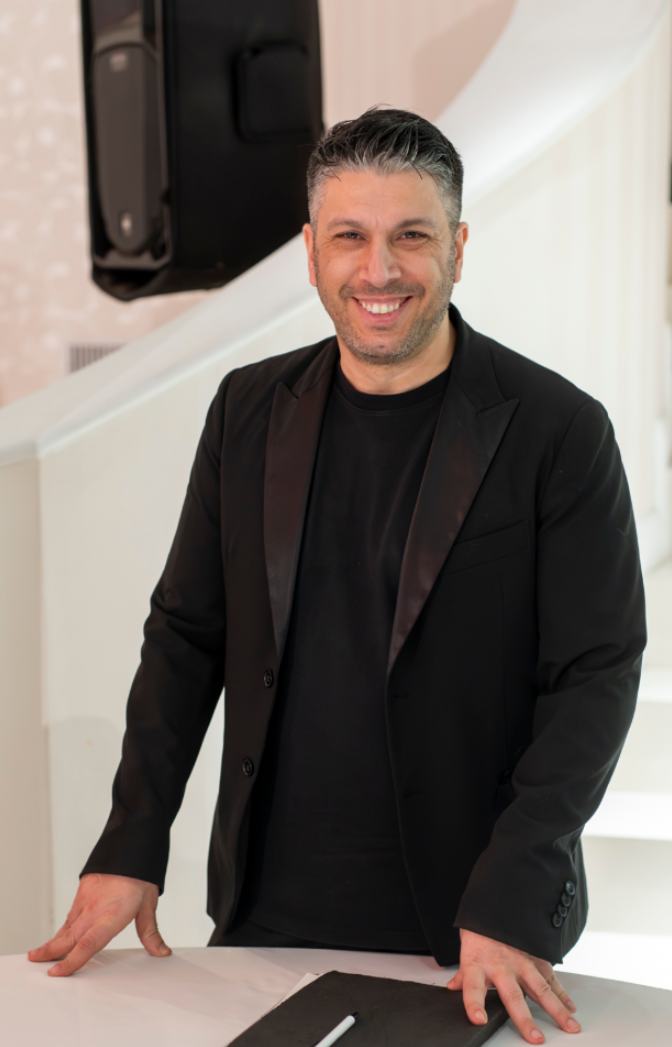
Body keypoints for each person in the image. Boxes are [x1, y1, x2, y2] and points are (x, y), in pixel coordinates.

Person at [29, 108, 645, 1045]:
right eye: (350, 236)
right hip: (264, 909)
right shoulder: (245, 408)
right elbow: (185, 635)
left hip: (471, 926)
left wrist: (515, 891)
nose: (379, 270)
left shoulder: (560, 429)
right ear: (312, 252)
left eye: (412, 236)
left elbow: (594, 673)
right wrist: (131, 839)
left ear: (459, 248)